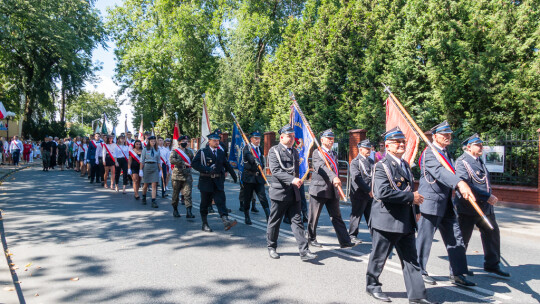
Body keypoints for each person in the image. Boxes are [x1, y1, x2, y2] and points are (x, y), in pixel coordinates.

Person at [366, 127, 435, 304]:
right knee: (379, 257)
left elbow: (408, 189)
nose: (401, 144)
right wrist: (412, 197)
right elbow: (382, 192)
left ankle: (417, 296)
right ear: (387, 146)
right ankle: (372, 286)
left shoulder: (404, 165)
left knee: (411, 260)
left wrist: (416, 209)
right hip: (386, 220)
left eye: (403, 141)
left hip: (405, 220)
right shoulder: (381, 166)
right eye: (397, 142)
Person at [416, 120, 476, 287]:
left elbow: (450, 173)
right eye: (444, 134)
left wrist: (460, 184)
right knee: (425, 239)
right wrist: (459, 183)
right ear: (435, 136)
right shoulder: (430, 153)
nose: (448, 137)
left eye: (449, 134)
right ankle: (418, 271)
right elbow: (439, 172)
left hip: (446, 203)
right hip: (431, 201)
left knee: (456, 237)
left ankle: (457, 273)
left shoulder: (446, 153)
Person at [454, 134, 510, 277]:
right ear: (468, 147)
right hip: (468, 207)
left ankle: (492, 264)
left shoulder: (479, 161)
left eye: (481, 145)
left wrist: (487, 198)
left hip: (485, 208)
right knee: (462, 239)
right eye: (478, 145)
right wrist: (487, 196)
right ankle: (457, 270)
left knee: (492, 234)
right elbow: (465, 185)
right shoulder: (462, 162)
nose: (481, 147)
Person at [266, 124, 316, 261]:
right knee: (275, 221)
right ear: (281, 137)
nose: (292, 139)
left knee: (297, 222)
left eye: (293, 136)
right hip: (279, 192)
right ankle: (271, 246)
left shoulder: (294, 151)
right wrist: (292, 179)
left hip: (294, 192)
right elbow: (275, 171)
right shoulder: (274, 151)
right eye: (289, 136)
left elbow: (296, 171)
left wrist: (298, 182)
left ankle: (304, 251)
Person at [307, 129, 355, 249]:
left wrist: (335, 180)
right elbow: (321, 167)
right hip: (319, 189)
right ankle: (311, 238)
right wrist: (333, 177)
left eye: (332, 139)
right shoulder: (317, 153)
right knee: (314, 216)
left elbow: (334, 169)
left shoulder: (333, 154)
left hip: (332, 190)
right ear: (322, 140)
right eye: (328, 139)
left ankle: (345, 240)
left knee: (336, 216)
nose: (331, 141)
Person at [192, 131, 238, 232]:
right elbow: (194, 164)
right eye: (214, 141)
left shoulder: (220, 152)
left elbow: (226, 164)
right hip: (206, 181)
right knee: (205, 203)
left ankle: (226, 221)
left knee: (221, 201)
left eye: (218, 140)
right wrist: (206, 169)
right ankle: (204, 224)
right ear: (209, 141)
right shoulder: (203, 152)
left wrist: (234, 175)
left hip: (218, 181)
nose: (217, 142)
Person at [348, 139, 374, 244]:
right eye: (367, 149)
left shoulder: (371, 161)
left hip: (370, 193)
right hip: (359, 193)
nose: (369, 151)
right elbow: (357, 178)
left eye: (370, 149)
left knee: (371, 215)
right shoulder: (355, 162)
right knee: (356, 215)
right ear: (360, 149)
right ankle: (352, 235)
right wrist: (368, 190)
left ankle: (375, 235)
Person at [242, 131, 270, 224]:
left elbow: (262, 159)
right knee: (248, 197)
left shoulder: (260, 148)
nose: (258, 140)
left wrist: (261, 166)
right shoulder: (247, 148)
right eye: (256, 139)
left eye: (259, 139)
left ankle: (268, 216)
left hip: (258, 177)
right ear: (251, 139)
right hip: (249, 177)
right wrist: (254, 160)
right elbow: (248, 156)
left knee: (263, 197)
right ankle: (247, 216)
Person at [169, 135, 195, 218]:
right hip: (177, 176)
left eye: (186, 141)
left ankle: (189, 212)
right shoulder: (175, 151)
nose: (185, 143)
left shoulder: (189, 152)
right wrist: (183, 163)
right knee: (175, 194)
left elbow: (193, 161)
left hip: (187, 175)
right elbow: (172, 160)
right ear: (179, 142)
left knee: (188, 193)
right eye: (183, 141)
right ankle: (175, 210)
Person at [140, 136, 162, 208]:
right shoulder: (145, 149)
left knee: (154, 185)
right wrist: (140, 170)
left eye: (154, 141)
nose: (153, 142)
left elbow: (159, 161)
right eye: (152, 141)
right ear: (149, 141)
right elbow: (142, 160)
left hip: (155, 167)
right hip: (147, 166)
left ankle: (153, 201)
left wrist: (160, 170)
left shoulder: (157, 150)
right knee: (145, 184)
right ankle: (144, 197)